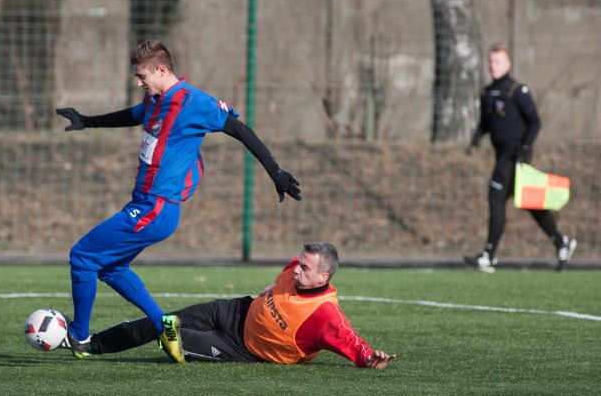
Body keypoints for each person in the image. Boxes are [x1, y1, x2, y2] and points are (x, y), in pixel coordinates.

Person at [55, 39, 301, 363]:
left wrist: (276, 171)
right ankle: (163, 324)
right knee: (111, 267)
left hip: (154, 208)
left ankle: (80, 336)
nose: (138, 82)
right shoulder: (154, 99)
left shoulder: (193, 102)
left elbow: (241, 130)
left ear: (161, 69)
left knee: (83, 256)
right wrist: (89, 120)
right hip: (149, 207)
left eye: (142, 76)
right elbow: (131, 116)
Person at [61, 242, 397, 369]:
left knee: (169, 335)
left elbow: (354, 346)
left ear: (324, 276)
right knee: (161, 319)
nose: (296, 268)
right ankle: (91, 345)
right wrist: (269, 291)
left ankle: (180, 346)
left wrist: (371, 358)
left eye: (305, 268)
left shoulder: (326, 315)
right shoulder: (296, 266)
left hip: (241, 346)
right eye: (299, 262)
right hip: (235, 310)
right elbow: (283, 279)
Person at [465, 43, 576, 273]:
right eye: (490, 61)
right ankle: (561, 242)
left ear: (508, 64)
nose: (493, 66)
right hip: (501, 156)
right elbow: (487, 121)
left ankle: (489, 256)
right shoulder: (487, 93)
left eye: (497, 61)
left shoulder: (517, 90)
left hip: (514, 157)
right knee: (530, 202)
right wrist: (477, 137)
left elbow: (535, 122)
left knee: (495, 198)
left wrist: (525, 146)